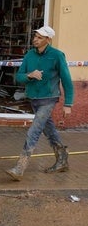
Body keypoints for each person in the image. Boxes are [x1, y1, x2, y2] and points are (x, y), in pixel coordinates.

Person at [6, 26, 74, 181]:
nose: (35, 39)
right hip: (34, 98)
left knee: (34, 130)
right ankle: (62, 160)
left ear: (48, 39)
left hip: (49, 98)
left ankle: (20, 167)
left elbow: (67, 80)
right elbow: (19, 77)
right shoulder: (29, 55)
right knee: (49, 130)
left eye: (39, 37)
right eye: (35, 36)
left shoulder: (57, 55)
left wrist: (68, 104)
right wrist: (30, 75)